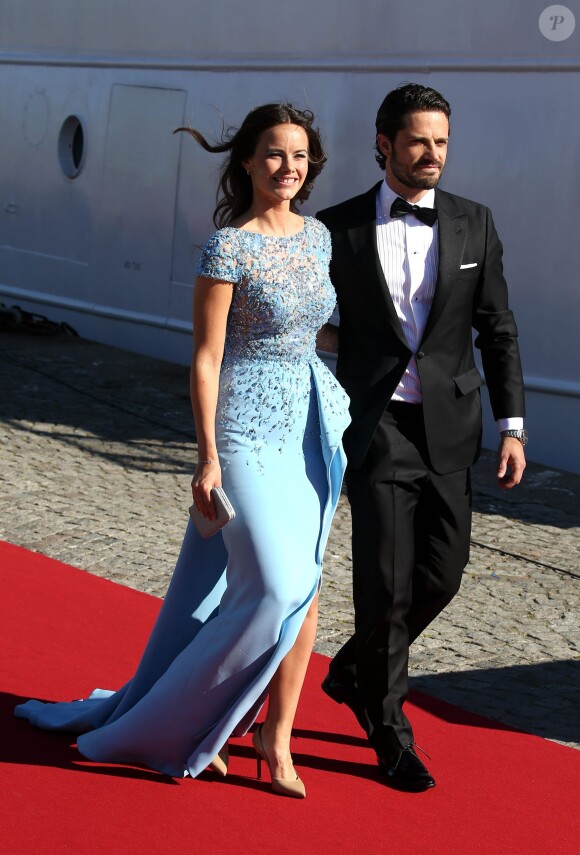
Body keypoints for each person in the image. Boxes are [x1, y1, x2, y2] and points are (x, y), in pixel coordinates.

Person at [15, 103, 350, 799]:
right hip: (245, 428)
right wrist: (206, 456)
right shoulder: (227, 245)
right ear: (247, 162)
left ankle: (268, 734)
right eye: (273, 154)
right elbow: (205, 357)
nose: (288, 167)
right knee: (277, 585)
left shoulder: (318, 238)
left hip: (308, 426)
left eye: (299, 155)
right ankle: (184, 722)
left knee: (304, 590)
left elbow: (318, 332)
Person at [316, 83, 526, 792]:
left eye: (440, 141)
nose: (432, 153)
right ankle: (389, 730)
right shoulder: (336, 227)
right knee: (385, 585)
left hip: (451, 427)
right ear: (385, 144)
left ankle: (349, 669)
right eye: (417, 141)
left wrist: (513, 425)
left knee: (443, 572)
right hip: (376, 428)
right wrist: (351, 354)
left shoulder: (475, 223)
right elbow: (305, 315)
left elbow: (496, 327)